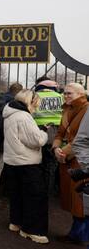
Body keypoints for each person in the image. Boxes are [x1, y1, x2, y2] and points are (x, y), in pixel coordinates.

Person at [3, 89, 49, 244]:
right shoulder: (23, 117)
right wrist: (43, 132)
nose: (36, 107)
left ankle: (16, 222)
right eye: (35, 104)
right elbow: (37, 141)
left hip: (12, 160)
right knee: (35, 197)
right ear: (30, 101)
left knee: (17, 194)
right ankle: (31, 230)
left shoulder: (10, 113)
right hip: (27, 163)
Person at [52, 82, 89, 244]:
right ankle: (75, 233)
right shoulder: (66, 108)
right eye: (65, 93)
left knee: (80, 200)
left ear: (81, 94)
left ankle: (81, 235)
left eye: (70, 93)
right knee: (71, 198)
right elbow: (60, 133)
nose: (66, 96)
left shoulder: (86, 109)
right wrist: (55, 148)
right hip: (65, 158)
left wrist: (63, 153)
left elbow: (81, 140)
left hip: (80, 160)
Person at [32, 76, 63, 195]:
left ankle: (38, 188)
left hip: (39, 129)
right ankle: (49, 189)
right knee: (52, 163)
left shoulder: (35, 97)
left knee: (37, 161)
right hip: (56, 131)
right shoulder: (61, 97)